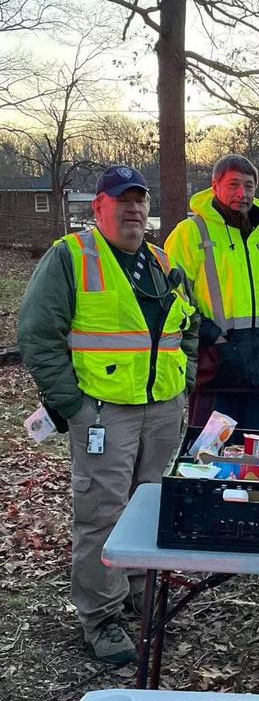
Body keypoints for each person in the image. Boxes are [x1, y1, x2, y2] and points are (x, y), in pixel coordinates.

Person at [17, 165, 198, 665]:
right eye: (123, 201)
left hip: (161, 409)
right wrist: (72, 405)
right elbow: (37, 334)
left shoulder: (162, 262)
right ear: (99, 207)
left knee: (149, 506)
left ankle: (139, 588)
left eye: (140, 200)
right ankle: (100, 616)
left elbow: (190, 325)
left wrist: (184, 380)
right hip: (103, 411)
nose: (134, 209)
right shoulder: (71, 257)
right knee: (102, 514)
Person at [165, 155, 259, 429]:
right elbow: (171, 294)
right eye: (233, 184)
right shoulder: (191, 233)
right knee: (208, 450)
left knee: (252, 449)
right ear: (215, 187)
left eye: (249, 186)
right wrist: (211, 334)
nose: (242, 194)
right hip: (215, 366)